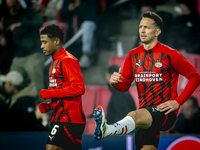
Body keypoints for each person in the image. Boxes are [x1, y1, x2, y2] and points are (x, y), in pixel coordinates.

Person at [93, 11, 200, 150]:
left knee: (133, 115)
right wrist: (115, 83)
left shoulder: (170, 54)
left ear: (157, 32)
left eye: (147, 27)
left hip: (164, 112)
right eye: (140, 27)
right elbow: (124, 86)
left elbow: (195, 76)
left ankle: (107, 129)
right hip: (144, 115)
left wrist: (177, 102)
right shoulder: (133, 55)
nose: (142, 30)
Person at [39, 24, 86, 150]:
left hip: (67, 119)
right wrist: (50, 105)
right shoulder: (55, 61)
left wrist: (50, 94)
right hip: (62, 117)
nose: (41, 46)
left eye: (44, 42)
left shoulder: (67, 60)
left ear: (56, 41)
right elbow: (64, 91)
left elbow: (79, 88)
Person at [1, 0, 44, 91]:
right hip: (17, 58)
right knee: (12, 84)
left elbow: (39, 22)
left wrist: (21, 24)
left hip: (33, 55)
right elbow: (8, 39)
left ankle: (42, 103)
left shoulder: (28, 12)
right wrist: (4, 41)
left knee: (38, 87)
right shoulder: (6, 19)